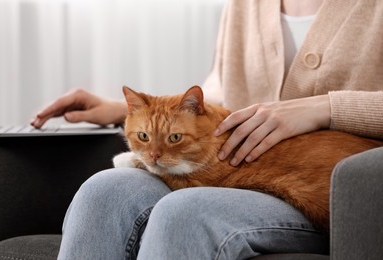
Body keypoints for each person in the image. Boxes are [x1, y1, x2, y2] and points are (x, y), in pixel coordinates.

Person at [31, 0, 383, 259]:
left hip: (330, 185)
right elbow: (217, 95)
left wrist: (324, 108)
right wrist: (120, 110)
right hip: (233, 164)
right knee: (103, 191)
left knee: (185, 212)